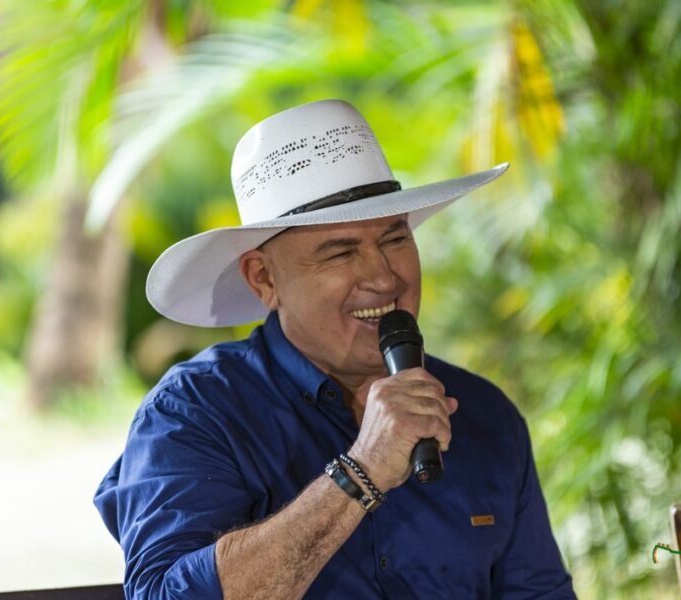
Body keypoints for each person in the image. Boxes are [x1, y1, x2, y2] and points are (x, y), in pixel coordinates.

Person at [94, 99, 576, 599]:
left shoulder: (482, 413)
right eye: (341, 252)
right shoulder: (195, 412)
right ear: (264, 279)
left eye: (395, 239)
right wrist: (361, 473)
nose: (383, 278)